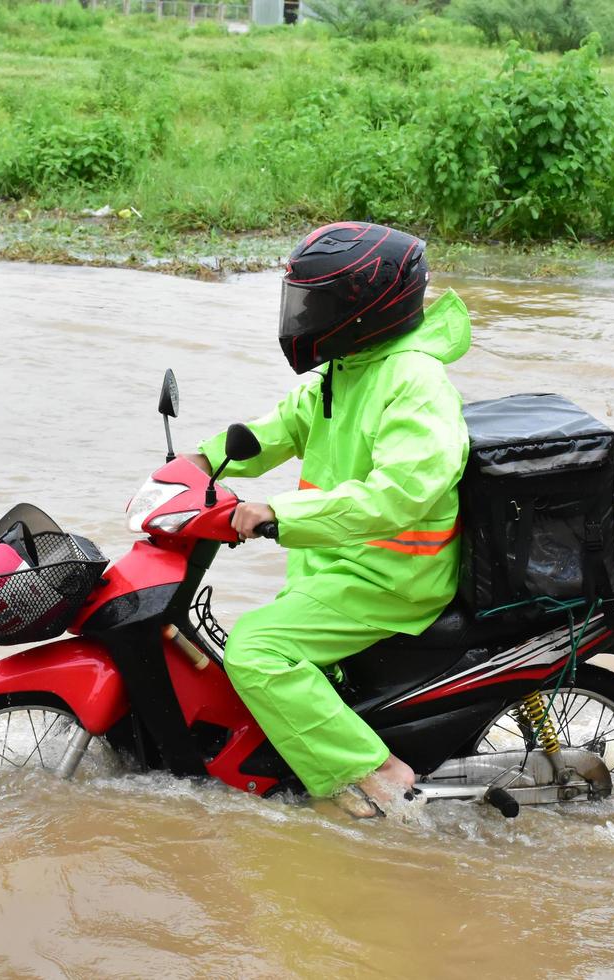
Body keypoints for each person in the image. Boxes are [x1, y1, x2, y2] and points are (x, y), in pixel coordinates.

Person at [189, 222, 471, 818]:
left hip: (391, 578)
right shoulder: (344, 369)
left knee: (254, 650)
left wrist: (275, 512)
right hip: (337, 565)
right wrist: (196, 464)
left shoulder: (415, 381)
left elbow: (397, 497)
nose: (304, 316)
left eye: (318, 303)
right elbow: (275, 430)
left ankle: (377, 773)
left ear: (367, 310)